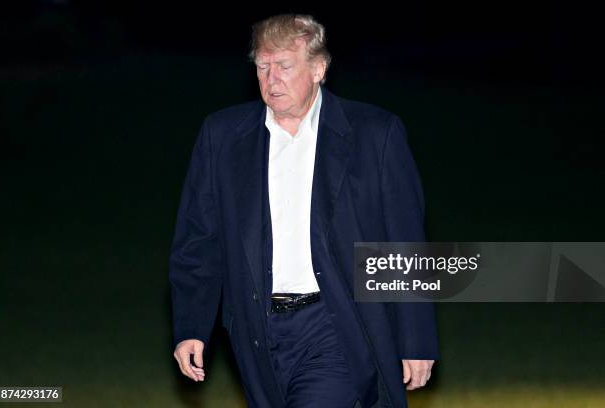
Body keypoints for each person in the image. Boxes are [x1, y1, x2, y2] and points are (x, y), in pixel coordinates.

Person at [169, 13, 439, 408]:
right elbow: (198, 239)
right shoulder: (223, 136)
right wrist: (192, 325)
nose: (271, 78)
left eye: (284, 66)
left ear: (318, 68)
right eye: (263, 67)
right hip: (257, 328)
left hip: (336, 323)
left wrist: (416, 338)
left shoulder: (374, 133)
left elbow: (405, 241)